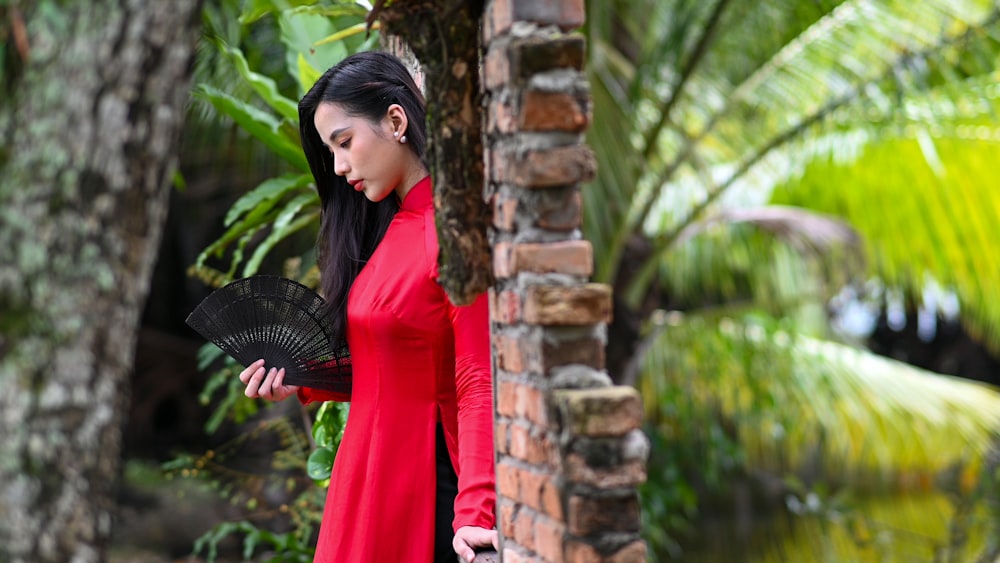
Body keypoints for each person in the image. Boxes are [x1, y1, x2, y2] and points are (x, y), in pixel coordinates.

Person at [237, 51, 497, 562]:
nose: (338, 166)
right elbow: (394, 357)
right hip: (363, 476)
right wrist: (304, 378)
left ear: (396, 120)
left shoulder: (454, 233)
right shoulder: (391, 230)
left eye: (344, 142)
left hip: (419, 481)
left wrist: (476, 513)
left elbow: (476, 375)